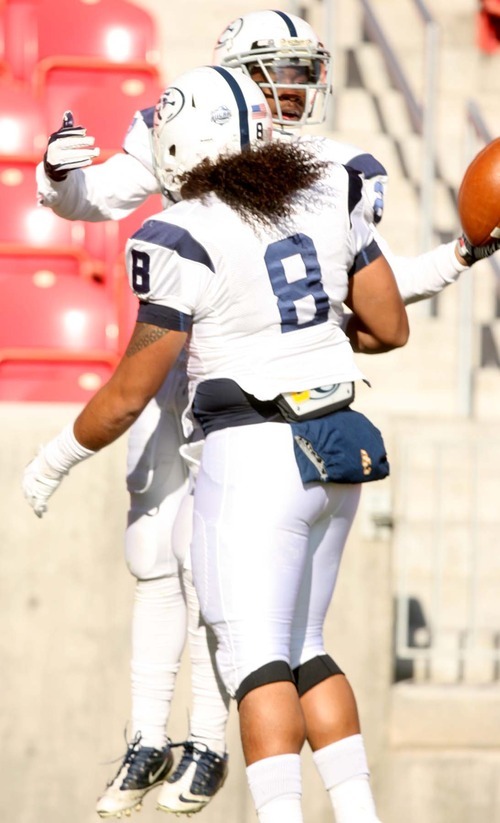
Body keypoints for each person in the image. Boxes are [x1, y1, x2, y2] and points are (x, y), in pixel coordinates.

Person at [34, 9, 500, 818]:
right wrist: (55, 177)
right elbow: (385, 322)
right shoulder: (321, 184)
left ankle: (212, 752)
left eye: (299, 71)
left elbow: (127, 390)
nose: (293, 89)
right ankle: (177, 743)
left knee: (249, 649)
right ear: (238, 90)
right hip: (328, 429)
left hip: (247, 435)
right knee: (270, 624)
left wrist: (52, 459)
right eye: (276, 72)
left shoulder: (216, 214)